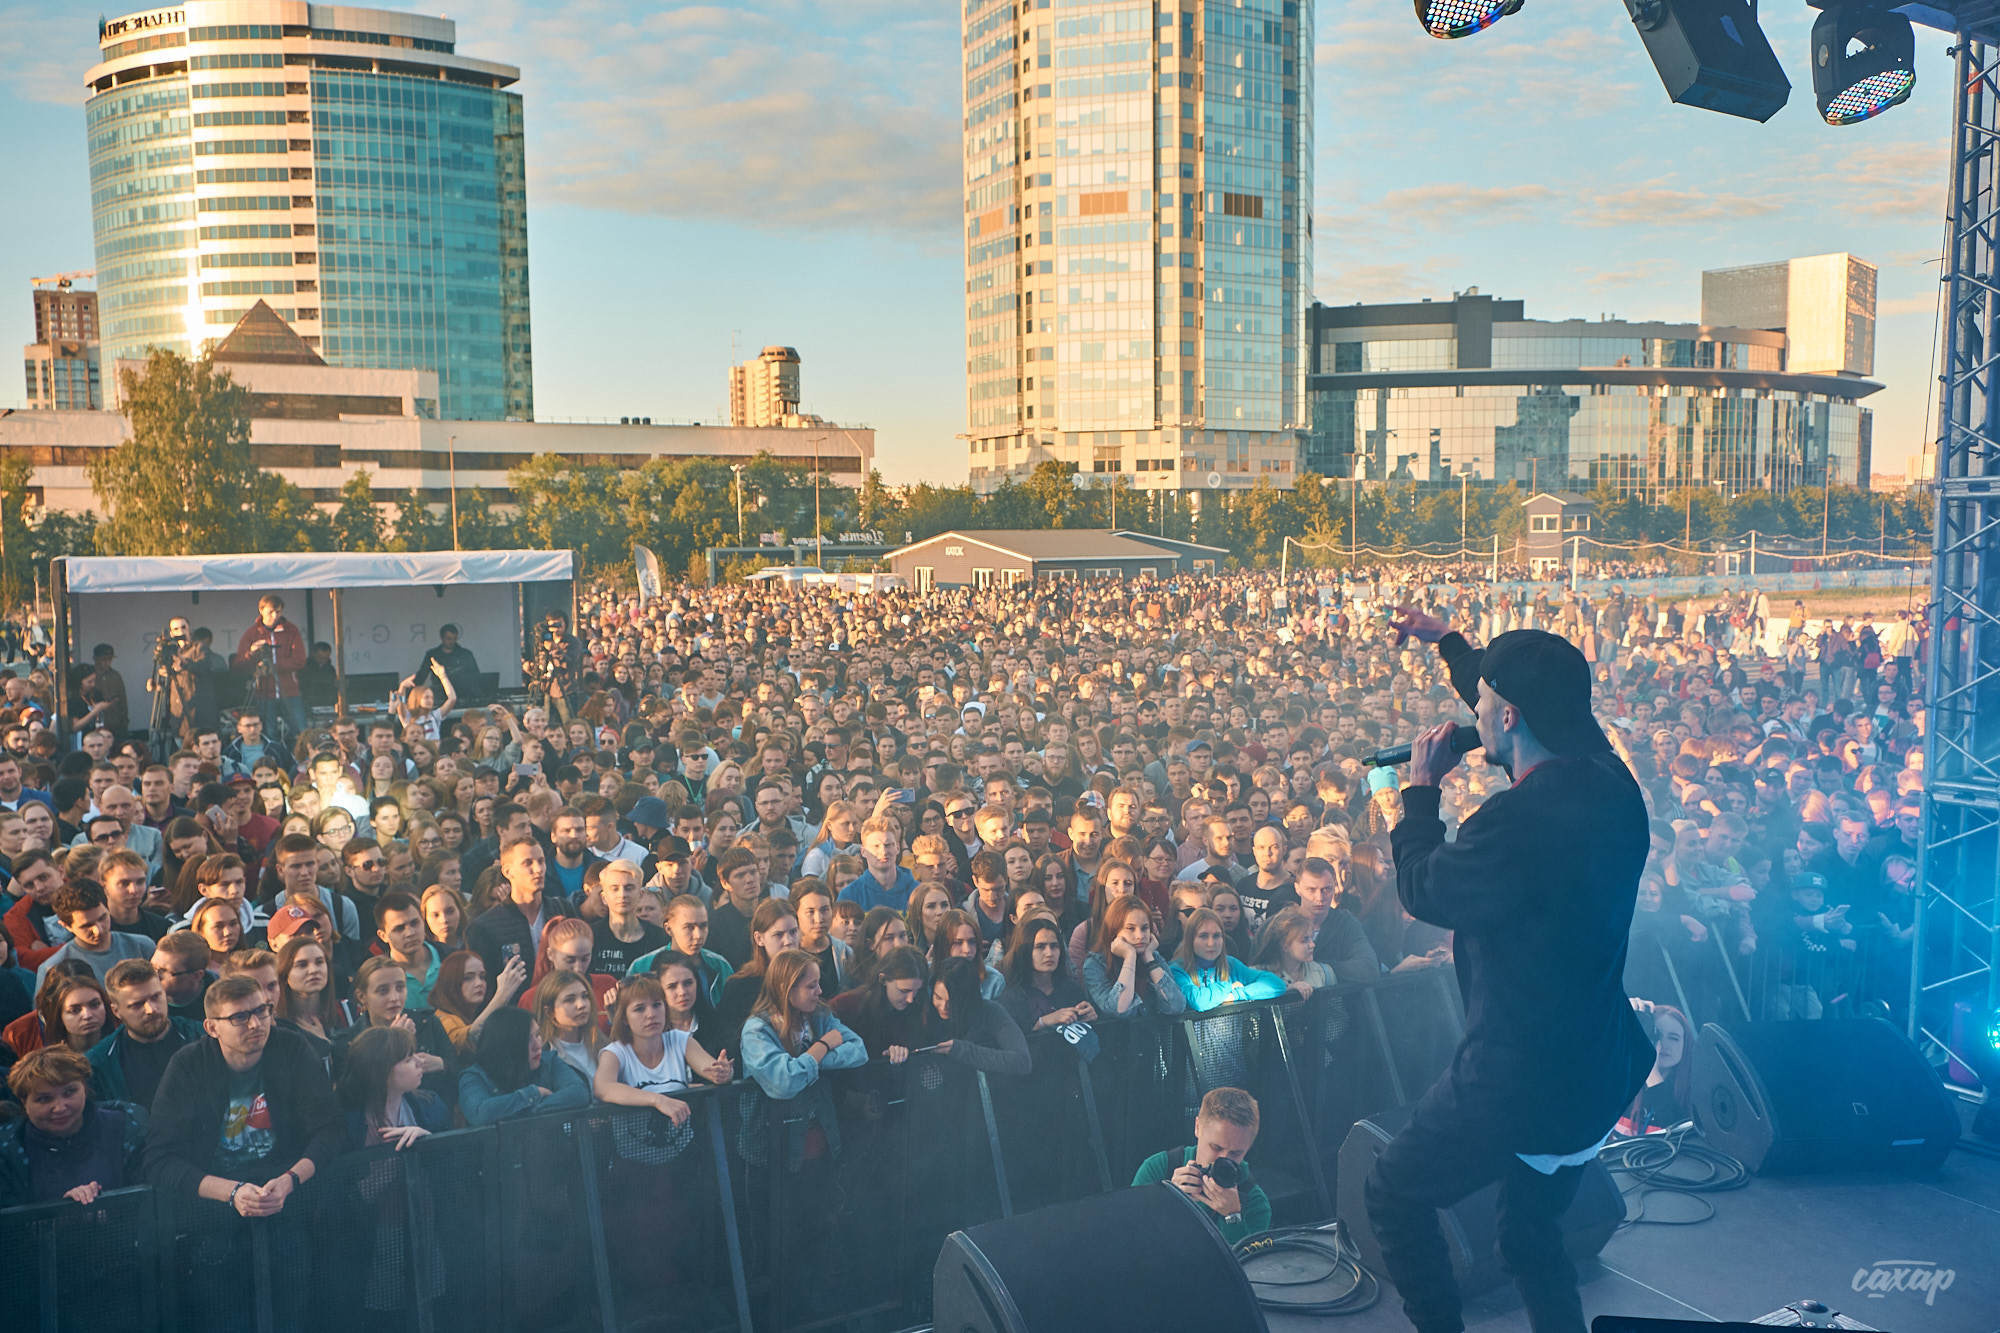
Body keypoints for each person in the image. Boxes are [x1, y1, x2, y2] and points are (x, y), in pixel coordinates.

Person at [1369, 615, 1653, 1333]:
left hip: (1517, 1079)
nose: (1474, 715)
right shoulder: (1615, 784)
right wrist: (1454, 648)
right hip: (1601, 1066)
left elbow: (1422, 887)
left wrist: (1422, 792)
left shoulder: (1514, 822)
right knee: (1529, 1237)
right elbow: (1522, 701)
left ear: (1511, 715)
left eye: (1483, 706)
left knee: (1391, 1191)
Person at [143, 973, 343, 1222]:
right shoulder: (188, 1065)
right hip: (213, 1209)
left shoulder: (292, 1048)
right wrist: (231, 1192)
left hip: (291, 1196)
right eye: (239, 1017)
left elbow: (330, 1129)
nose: (256, 1024)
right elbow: (159, 1160)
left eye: (262, 1011)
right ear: (212, 1028)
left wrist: (290, 1180)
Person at [739, 949, 867, 1167]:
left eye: (818, 983)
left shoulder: (819, 1015)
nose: (819, 991)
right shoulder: (757, 1031)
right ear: (785, 989)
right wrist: (821, 1046)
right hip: (773, 1149)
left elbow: (858, 1050)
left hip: (821, 1138)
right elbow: (784, 1082)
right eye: (811, 986)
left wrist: (805, 1062)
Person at [0, 1046, 148, 1208]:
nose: (60, 1107)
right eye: (44, 1099)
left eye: (69, 1092)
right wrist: (62, 1211)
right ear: (24, 1101)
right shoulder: (8, 1151)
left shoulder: (126, 1127)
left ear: (84, 1088)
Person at [1131, 1087, 1272, 1245]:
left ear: (1248, 1147)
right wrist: (1168, 1200)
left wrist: (1233, 1217)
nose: (1223, 1160)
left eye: (1235, 1154)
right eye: (1216, 1148)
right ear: (1197, 1127)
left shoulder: (1254, 1202)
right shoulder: (1158, 1169)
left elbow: (1248, 1265)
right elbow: (1132, 1236)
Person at [593, 973, 733, 1122]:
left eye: (657, 1005)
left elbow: (711, 1069)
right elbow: (603, 1088)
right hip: (631, 1145)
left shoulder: (680, 1040)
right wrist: (658, 1100)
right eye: (639, 1009)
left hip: (685, 1143)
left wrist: (724, 1073)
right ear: (624, 1018)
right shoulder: (615, 1052)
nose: (651, 1014)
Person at [88, 958, 201, 1108]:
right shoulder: (99, 1063)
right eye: (137, 1004)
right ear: (116, 1011)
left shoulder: (202, 1037)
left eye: (156, 997)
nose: (151, 1009)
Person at [459, 1005, 592, 1125]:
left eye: (538, 1035)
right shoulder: (475, 1076)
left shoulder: (549, 1060)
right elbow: (480, 1113)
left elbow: (578, 1092)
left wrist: (528, 1109)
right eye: (528, 1039)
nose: (538, 1045)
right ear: (506, 1045)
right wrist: (533, 1093)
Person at [337, 1024, 450, 1150]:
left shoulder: (430, 1104)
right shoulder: (345, 1119)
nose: (420, 1062)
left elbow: (452, 1160)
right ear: (381, 1071)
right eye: (408, 1059)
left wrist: (427, 1138)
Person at [1168, 907, 1297, 1011]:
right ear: (1191, 939)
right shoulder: (1177, 970)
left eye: (1217, 936)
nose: (1211, 943)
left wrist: (1235, 995)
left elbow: (1276, 984)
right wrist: (1228, 986)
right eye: (1203, 936)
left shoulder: (1230, 964)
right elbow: (1200, 1001)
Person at [35, 879, 156, 987]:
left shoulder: (142, 946)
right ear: (66, 926)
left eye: (102, 918)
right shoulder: (53, 969)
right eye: (86, 926)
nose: (98, 930)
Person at [923, 957, 1031, 1076]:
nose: (943, 1007)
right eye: (938, 998)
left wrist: (963, 1050)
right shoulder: (926, 1013)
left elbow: (1022, 1061)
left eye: (953, 1002)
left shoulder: (989, 1011)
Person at [1082, 897, 1187, 1020]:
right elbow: (1119, 1009)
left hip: (1154, 1038)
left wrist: (1149, 959)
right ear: (1114, 930)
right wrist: (1130, 957)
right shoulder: (1094, 964)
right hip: (1112, 1038)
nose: (1140, 936)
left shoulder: (1153, 956)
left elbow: (1176, 1006)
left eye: (1145, 928)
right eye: (1130, 929)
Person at [998, 916, 1096, 1035]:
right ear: (1025, 950)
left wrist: (1090, 1017)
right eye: (1040, 947)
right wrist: (1043, 1022)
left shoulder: (1071, 989)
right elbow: (1011, 1040)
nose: (1049, 953)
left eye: (1054, 946)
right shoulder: (1011, 995)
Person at [233, 594, 308, 743]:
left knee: (300, 733)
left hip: (290, 691)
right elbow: (239, 665)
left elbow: (300, 660)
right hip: (264, 693)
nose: (275, 616)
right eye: (270, 612)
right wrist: (252, 653)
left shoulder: (291, 630)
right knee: (268, 734)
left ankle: (300, 762)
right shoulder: (252, 633)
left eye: (278, 612)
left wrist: (273, 666)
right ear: (261, 611)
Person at [1617, 1002, 1692, 1136]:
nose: (1662, 1044)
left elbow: (1680, 1136)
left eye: (1673, 1038)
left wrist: (1652, 1071)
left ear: (1685, 1046)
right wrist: (1623, 1013)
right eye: (1657, 1035)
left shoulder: (1692, 1093)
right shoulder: (1622, 1082)